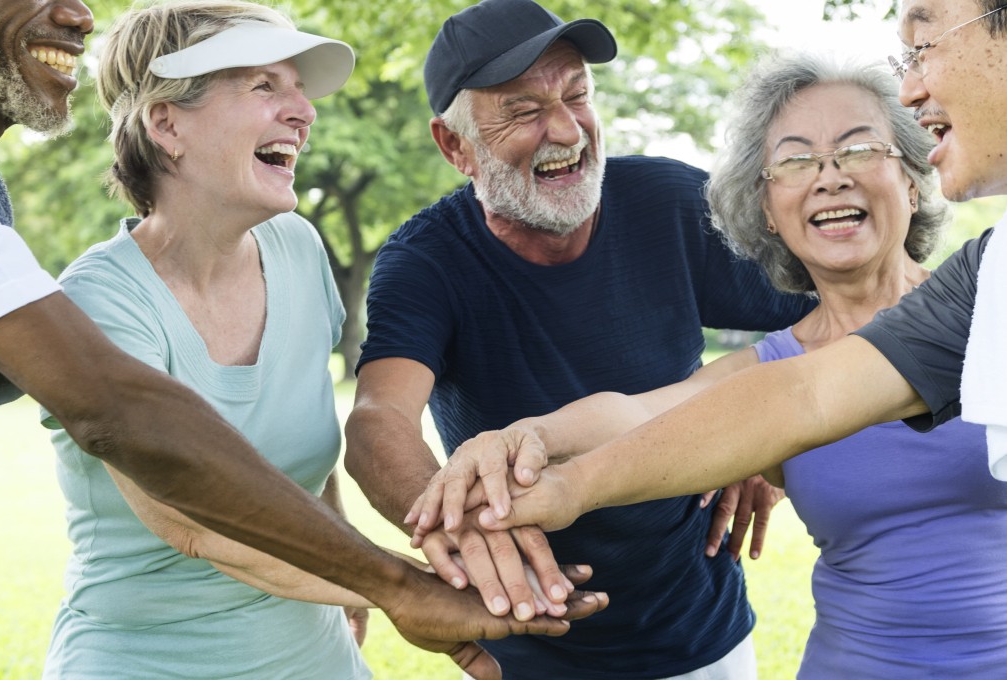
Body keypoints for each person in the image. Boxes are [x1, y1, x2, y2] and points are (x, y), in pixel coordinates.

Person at [0, 3, 606, 672]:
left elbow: (306, 468)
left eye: (298, 89)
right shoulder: (100, 300)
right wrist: (408, 588)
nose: (303, 112)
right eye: (263, 86)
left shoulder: (296, 248)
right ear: (166, 124)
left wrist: (350, 587)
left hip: (317, 654)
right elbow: (191, 524)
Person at [413, 52, 1007, 677]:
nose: (830, 177)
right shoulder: (773, 369)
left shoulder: (988, 308)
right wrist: (522, 439)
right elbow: (639, 412)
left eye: (859, 150)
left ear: (912, 180)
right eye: (797, 161)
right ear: (769, 213)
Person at [344, 1, 814, 677]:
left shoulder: (673, 203)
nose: (565, 129)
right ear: (455, 148)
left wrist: (766, 434)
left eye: (577, 96)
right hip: (528, 639)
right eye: (523, 110)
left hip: (703, 631)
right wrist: (464, 526)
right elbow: (378, 416)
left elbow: (844, 311)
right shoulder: (424, 262)